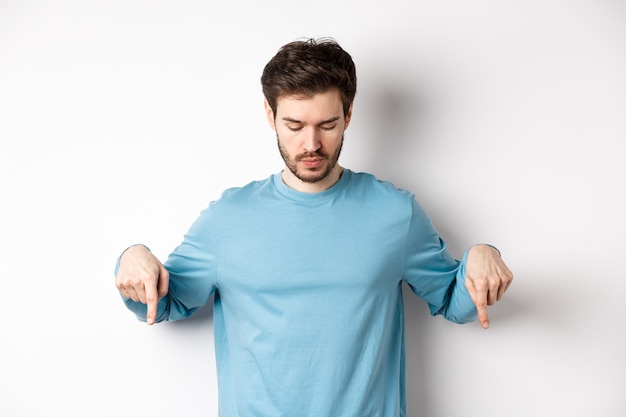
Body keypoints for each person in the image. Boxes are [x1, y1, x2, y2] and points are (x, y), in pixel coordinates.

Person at [115, 37, 513, 417]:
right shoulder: (228, 219)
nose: (311, 144)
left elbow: (453, 298)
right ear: (270, 116)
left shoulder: (395, 213)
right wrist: (132, 259)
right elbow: (162, 302)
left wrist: (482, 255)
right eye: (294, 125)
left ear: (349, 116)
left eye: (327, 124)